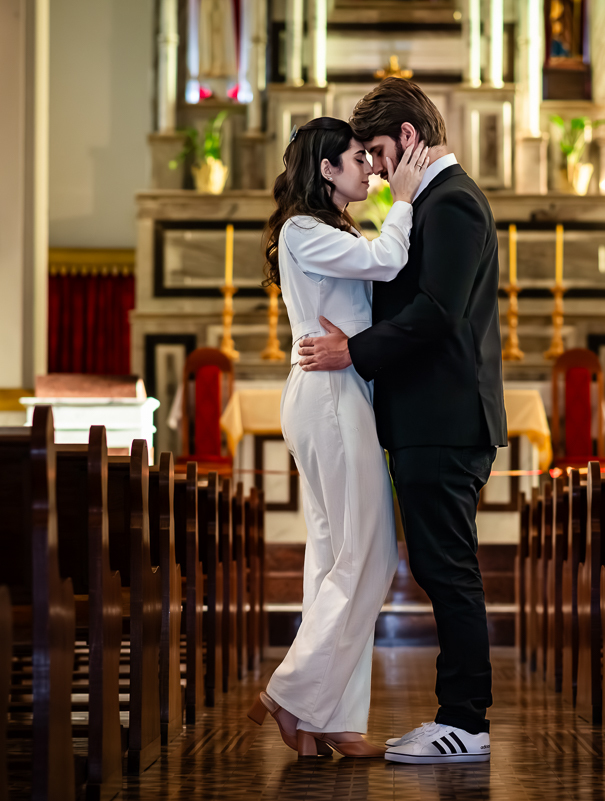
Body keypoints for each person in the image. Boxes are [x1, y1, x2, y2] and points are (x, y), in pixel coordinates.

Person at [298, 78, 507, 764]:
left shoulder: (451, 204)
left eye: (381, 152)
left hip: (444, 419)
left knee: (448, 570)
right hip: (427, 417)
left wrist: (350, 349)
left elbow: (437, 313)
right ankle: (455, 715)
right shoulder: (433, 203)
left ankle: (466, 723)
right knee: (440, 567)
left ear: (408, 138)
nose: (379, 169)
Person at [245, 117, 430, 758]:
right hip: (329, 398)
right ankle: (291, 692)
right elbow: (386, 260)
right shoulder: (304, 229)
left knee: (331, 561)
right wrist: (402, 202)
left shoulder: (329, 228)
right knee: (370, 556)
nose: (370, 169)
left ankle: (327, 720)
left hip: (338, 393)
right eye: (358, 159)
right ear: (326, 170)